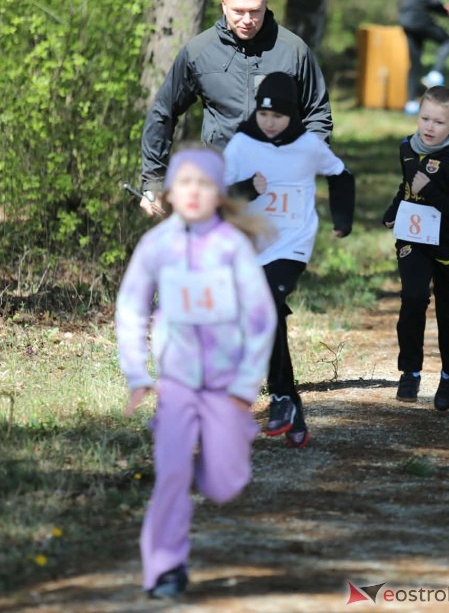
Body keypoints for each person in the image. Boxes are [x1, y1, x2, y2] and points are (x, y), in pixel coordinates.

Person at [116, 144, 277, 598]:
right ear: (169, 192)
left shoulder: (231, 245)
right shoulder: (157, 244)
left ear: (219, 194)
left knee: (225, 485)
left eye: (204, 184)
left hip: (226, 387)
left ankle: (214, 456)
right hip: (176, 384)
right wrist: (136, 372)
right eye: (184, 182)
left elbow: (260, 317)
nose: (193, 192)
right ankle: (165, 569)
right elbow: (130, 308)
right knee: (169, 474)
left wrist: (247, 384)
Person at [223, 73, 355, 447]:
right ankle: (291, 405)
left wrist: (342, 220)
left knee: (267, 304)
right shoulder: (241, 144)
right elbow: (220, 195)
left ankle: (279, 395)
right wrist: (248, 188)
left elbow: (342, 176)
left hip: (292, 245)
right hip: (252, 247)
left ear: (292, 115)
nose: (269, 123)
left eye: (278, 117)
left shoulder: (309, 145)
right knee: (268, 312)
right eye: (264, 115)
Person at [138, 0, 332, 216]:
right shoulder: (199, 52)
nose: (247, 20)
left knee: (275, 254)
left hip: (279, 187)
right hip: (221, 184)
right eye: (239, 11)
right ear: (224, 5)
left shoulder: (293, 51)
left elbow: (318, 114)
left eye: (255, 11)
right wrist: (153, 182)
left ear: (265, 6)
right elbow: (162, 112)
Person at [382, 86, 449, 412]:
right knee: (413, 298)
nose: (429, 127)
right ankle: (410, 371)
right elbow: (407, 186)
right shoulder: (406, 147)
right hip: (414, 241)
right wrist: (395, 210)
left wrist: (433, 194)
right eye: (425, 118)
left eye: (438, 122)